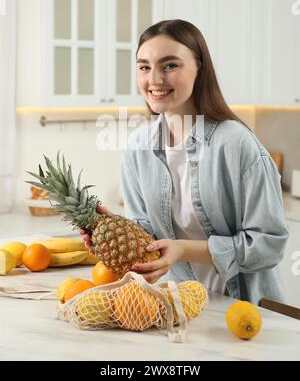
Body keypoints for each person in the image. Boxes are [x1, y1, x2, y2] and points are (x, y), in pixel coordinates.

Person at [81, 19, 288, 305]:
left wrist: (183, 249)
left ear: (199, 69)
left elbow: (269, 245)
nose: (154, 79)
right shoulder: (137, 147)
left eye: (170, 65)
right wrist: (110, 232)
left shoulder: (237, 144)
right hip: (182, 304)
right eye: (144, 67)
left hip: (246, 308)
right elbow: (147, 232)